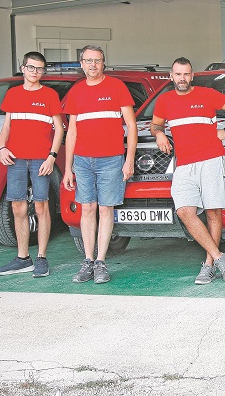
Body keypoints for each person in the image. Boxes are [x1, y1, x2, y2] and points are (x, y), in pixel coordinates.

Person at [150, 57, 225, 284]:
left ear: (192, 76)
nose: (182, 79)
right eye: (178, 74)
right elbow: (155, 124)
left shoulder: (206, 94)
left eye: (186, 74)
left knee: (213, 211)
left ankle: (209, 265)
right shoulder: (164, 100)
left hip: (211, 159)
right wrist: (160, 133)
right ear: (171, 76)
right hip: (184, 164)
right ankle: (220, 256)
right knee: (184, 211)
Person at [62, 45, 138, 283]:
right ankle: (87, 260)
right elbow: (71, 132)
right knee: (87, 208)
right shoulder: (76, 91)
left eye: (97, 60)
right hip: (82, 161)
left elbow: (132, 127)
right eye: (88, 60)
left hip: (112, 160)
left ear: (103, 63)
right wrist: (67, 167)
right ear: (81, 64)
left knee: (106, 209)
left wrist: (129, 160)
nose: (93, 65)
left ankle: (101, 262)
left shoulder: (116, 87)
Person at [0, 52, 64, 277]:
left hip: (41, 160)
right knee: (18, 207)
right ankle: (23, 258)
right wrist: (2, 147)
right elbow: (7, 125)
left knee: (42, 206)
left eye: (40, 69)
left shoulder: (50, 94)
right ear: (22, 68)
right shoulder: (13, 94)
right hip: (16, 158)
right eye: (31, 68)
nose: (35, 72)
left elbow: (60, 128)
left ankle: (42, 258)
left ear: (43, 71)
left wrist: (52, 156)